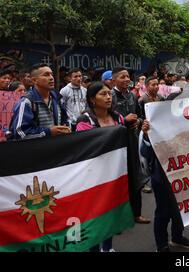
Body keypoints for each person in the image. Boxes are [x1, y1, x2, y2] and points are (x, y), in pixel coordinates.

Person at [76, 82, 126, 252]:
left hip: (114, 174)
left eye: (109, 94)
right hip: (92, 177)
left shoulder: (118, 117)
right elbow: (85, 147)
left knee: (110, 213)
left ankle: (108, 247)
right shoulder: (85, 120)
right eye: (103, 94)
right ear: (92, 99)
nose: (108, 97)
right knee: (94, 215)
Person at [140, 120, 189, 252]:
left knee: (180, 210)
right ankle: (162, 246)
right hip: (162, 178)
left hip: (183, 174)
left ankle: (177, 237)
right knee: (163, 212)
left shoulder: (184, 122)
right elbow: (145, 153)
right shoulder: (151, 124)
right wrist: (147, 136)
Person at [111, 66, 150, 224]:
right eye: (122, 77)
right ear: (113, 80)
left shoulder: (133, 96)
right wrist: (123, 122)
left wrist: (139, 122)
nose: (126, 79)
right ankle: (117, 219)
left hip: (133, 142)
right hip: (116, 146)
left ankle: (136, 214)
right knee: (118, 183)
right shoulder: (110, 96)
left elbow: (140, 116)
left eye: (127, 76)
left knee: (136, 179)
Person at [10, 63, 70, 140]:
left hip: (56, 148)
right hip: (35, 150)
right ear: (34, 80)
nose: (51, 78)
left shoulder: (57, 99)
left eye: (51, 74)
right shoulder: (26, 102)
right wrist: (48, 132)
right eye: (46, 75)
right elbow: (20, 134)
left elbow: (65, 121)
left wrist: (65, 128)